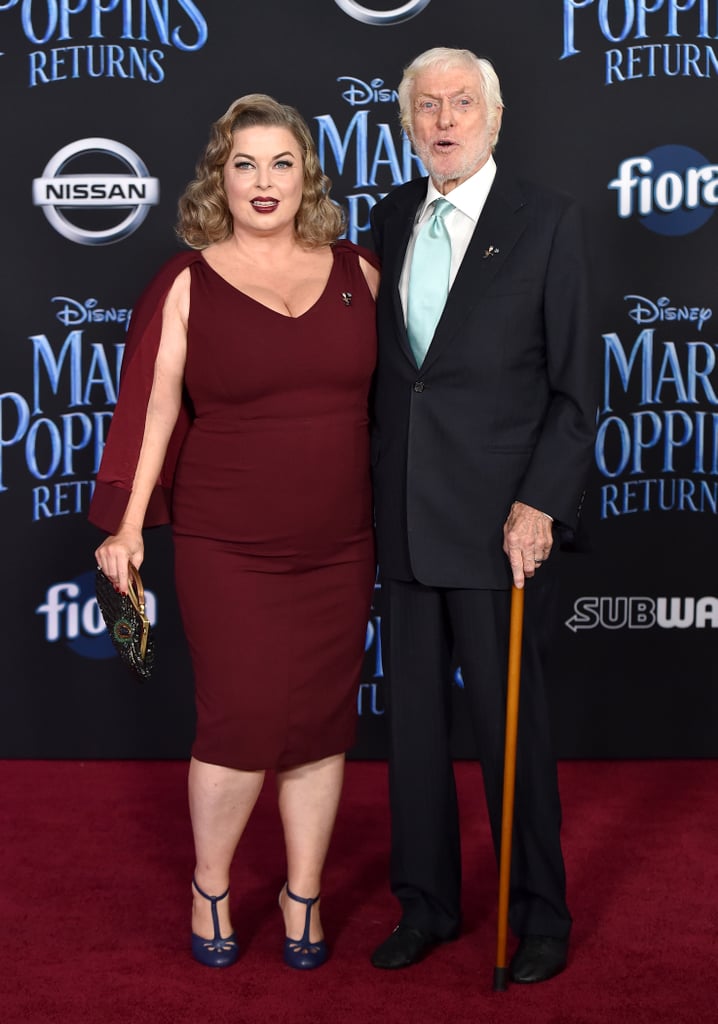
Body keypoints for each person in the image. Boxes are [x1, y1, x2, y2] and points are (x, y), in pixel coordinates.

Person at [89, 94, 380, 971]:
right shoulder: (186, 281)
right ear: (221, 176)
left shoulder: (358, 273)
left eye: (281, 163)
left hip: (340, 546)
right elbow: (151, 410)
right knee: (239, 722)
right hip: (228, 548)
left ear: (307, 178)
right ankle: (210, 884)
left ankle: (303, 894)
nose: (264, 181)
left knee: (323, 725)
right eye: (245, 164)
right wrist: (127, 528)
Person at [368, 48, 596, 983]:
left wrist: (541, 499)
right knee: (412, 735)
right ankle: (425, 904)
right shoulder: (387, 218)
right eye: (429, 106)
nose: (445, 119)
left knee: (515, 735)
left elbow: (577, 386)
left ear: (494, 119)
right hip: (405, 523)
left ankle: (541, 913)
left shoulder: (546, 221)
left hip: (503, 527)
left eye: (464, 103)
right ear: (408, 123)